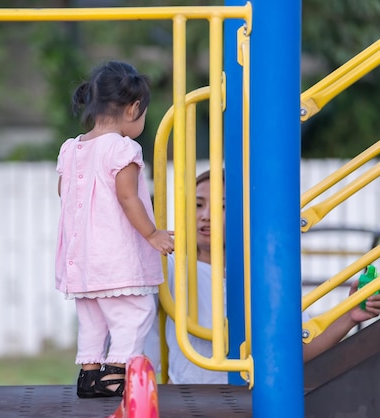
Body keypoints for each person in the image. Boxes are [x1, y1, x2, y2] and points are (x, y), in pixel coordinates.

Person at [145, 169, 380, 384]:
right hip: (191, 398)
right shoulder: (170, 268)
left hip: (256, 399)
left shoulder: (266, 276)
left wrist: (349, 316)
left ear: (245, 215)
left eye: (224, 206)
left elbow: (298, 350)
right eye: (198, 204)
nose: (206, 215)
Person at [55, 61, 175, 398]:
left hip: (80, 257)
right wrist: (152, 234)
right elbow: (127, 196)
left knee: (93, 316)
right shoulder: (123, 148)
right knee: (136, 311)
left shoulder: (71, 147)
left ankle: (89, 375)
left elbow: (64, 193)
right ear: (134, 108)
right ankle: (116, 373)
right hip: (115, 255)